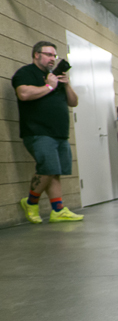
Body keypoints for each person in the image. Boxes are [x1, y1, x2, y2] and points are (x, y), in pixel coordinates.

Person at [13, 40, 83, 223]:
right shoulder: (26, 73)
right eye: (49, 54)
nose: (53, 59)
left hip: (60, 133)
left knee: (55, 171)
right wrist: (49, 86)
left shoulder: (55, 76)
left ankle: (57, 210)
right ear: (37, 55)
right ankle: (31, 202)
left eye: (54, 55)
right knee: (47, 169)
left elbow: (74, 102)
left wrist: (66, 84)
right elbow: (24, 94)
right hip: (38, 131)